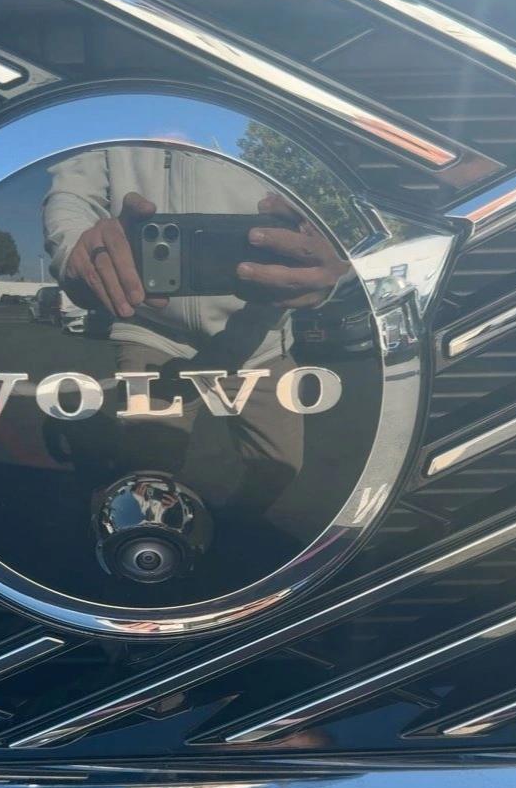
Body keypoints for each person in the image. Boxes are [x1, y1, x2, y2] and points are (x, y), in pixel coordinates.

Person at [42, 145, 347, 513]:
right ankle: (151, 532)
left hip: (259, 340)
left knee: (279, 467)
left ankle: (230, 526)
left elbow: (327, 207)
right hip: (153, 333)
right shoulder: (109, 116)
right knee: (146, 474)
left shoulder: (267, 129)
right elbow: (73, 192)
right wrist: (74, 248)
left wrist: (331, 260)